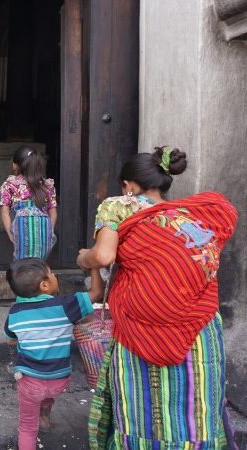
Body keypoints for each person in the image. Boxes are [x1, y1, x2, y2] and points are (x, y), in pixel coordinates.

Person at [77, 147, 238, 449]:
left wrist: (85, 258)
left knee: (143, 407)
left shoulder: (118, 205)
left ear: (128, 185)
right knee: (196, 405)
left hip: (143, 329)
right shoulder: (187, 215)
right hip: (199, 329)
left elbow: (104, 255)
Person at [4, 258, 104, 450]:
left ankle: (37, 426)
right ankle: (45, 418)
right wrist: (94, 266)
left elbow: (10, 338)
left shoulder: (15, 312)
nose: (55, 276)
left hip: (30, 382)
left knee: (27, 427)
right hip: (59, 380)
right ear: (44, 285)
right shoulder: (67, 305)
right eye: (52, 274)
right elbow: (97, 292)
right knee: (47, 393)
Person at [0, 146, 58, 260]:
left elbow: (4, 213)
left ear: (15, 165)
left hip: (21, 230)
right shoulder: (47, 185)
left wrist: (11, 235)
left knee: (23, 264)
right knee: (40, 263)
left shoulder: (10, 185)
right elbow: (53, 212)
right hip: (44, 230)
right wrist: (49, 232)